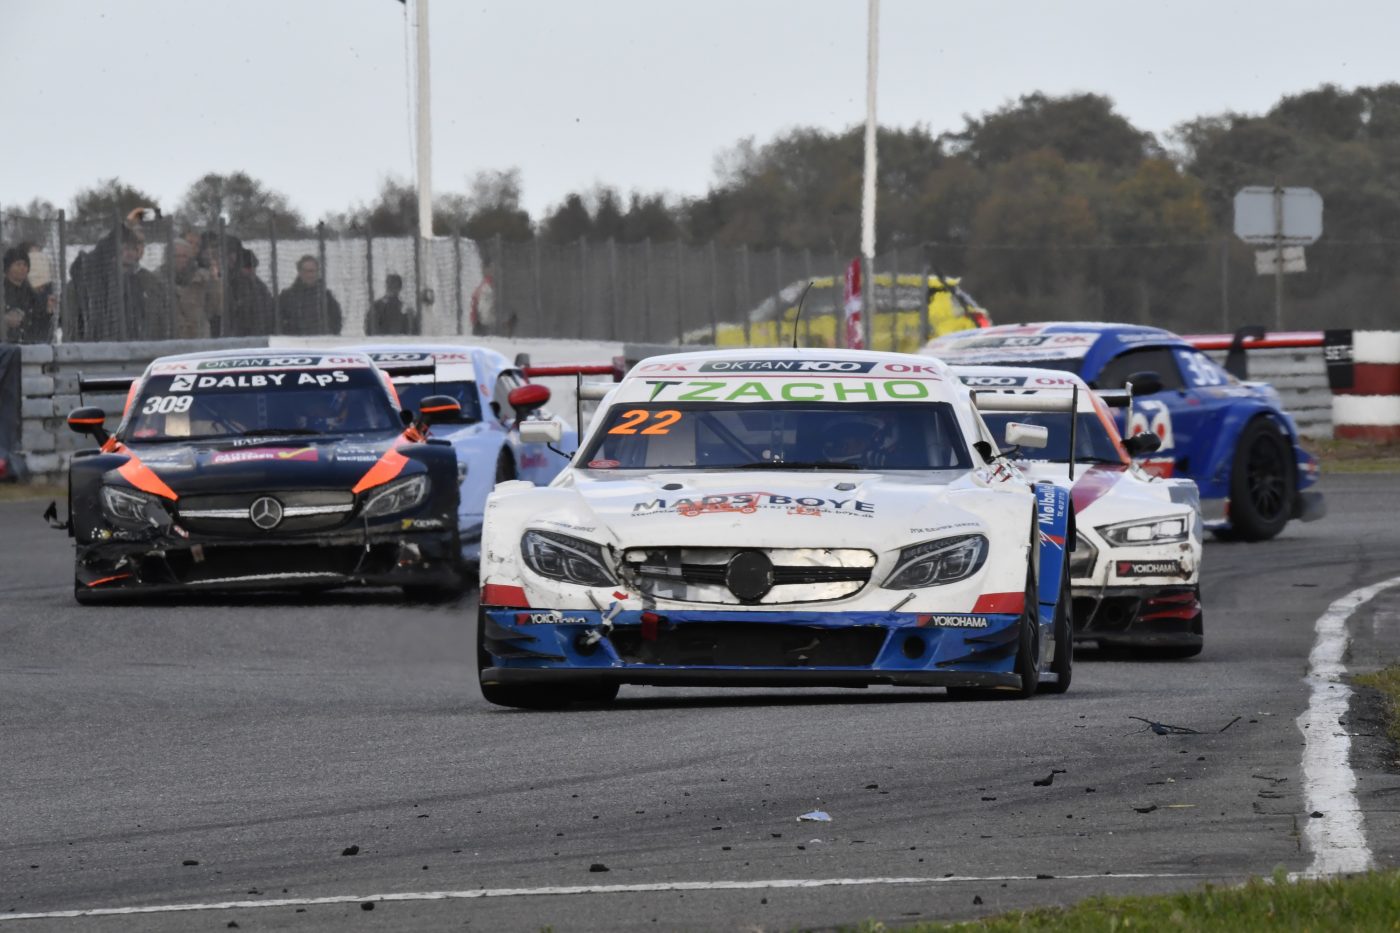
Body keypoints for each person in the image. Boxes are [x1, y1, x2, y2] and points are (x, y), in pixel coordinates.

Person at [164, 237, 220, 339]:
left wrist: (215, 281)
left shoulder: (203, 279)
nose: (180, 260)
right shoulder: (157, 280)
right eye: (176, 256)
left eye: (184, 256)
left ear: (190, 257)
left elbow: (216, 308)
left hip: (200, 339)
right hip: (171, 339)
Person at [276, 255, 342, 335]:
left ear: (317, 272)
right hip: (295, 340)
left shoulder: (326, 297)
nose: (310, 275)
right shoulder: (287, 297)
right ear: (299, 272)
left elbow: (336, 320)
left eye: (312, 271)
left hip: (321, 340)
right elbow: (278, 321)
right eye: (306, 271)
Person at [3, 245, 56, 343]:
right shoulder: (3, 292)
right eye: (18, 264)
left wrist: (48, 312)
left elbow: (41, 328)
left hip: (28, 347)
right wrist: (4, 321)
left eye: (25, 265)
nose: (22, 268)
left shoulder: (32, 295)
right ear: (8, 268)